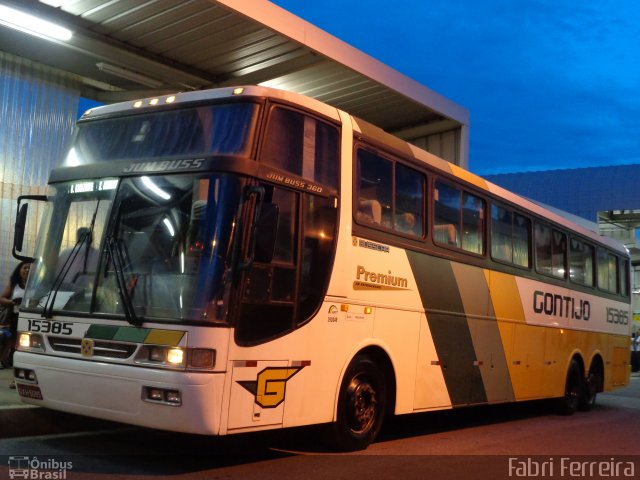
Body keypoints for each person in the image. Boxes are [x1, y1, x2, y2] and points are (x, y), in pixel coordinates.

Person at [0, 261, 32, 388]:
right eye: (24, 267)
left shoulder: (36, 285)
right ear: (19, 270)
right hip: (16, 319)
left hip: (31, 319)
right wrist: (13, 302)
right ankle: (15, 378)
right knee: (16, 349)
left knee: (28, 350)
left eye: (30, 268)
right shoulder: (14, 286)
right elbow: (1, 298)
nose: (27, 270)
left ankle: (26, 377)